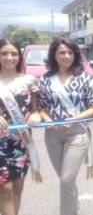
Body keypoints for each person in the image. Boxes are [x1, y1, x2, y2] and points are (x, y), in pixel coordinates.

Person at [38, 38, 93, 215]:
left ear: (76, 55)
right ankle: (74, 210)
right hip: (52, 135)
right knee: (66, 180)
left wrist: (74, 118)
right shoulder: (46, 79)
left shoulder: (85, 78)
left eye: (70, 52)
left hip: (77, 134)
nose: (66, 56)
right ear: (54, 55)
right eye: (61, 52)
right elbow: (42, 107)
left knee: (66, 180)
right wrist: (49, 121)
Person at [0, 39, 41, 215]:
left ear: (20, 56)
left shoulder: (30, 80)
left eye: (14, 53)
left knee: (17, 188)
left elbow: (37, 108)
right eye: (4, 53)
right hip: (0, 142)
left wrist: (36, 114)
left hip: (21, 141)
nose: (9, 57)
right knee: (5, 189)